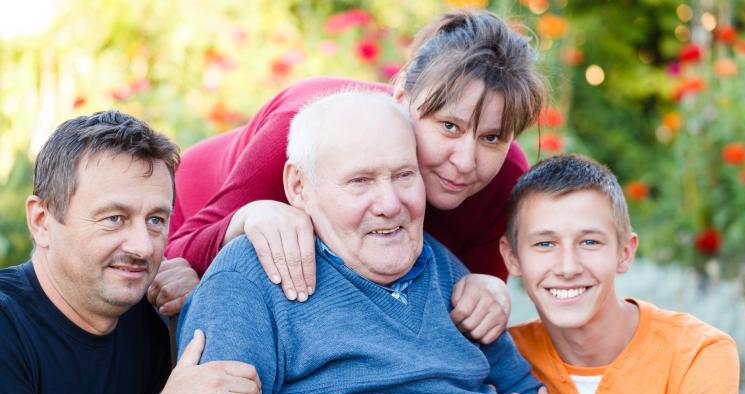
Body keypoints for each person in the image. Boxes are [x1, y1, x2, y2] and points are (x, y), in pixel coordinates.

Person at [175, 91, 554, 394]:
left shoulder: (447, 274)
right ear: (298, 187)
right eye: (360, 181)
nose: (390, 204)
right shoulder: (251, 277)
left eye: (404, 175)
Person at [165, 10, 546, 344]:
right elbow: (176, 251)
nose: (465, 161)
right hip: (195, 207)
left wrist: (490, 290)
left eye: (492, 137)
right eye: (449, 126)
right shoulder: (308, 132)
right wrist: (247, 218)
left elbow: (457, 315)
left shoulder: (503, 176)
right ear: (401, 98)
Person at [0, 111, 262, 394]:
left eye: (156, 220)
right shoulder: (8, 326)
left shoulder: (146, 320)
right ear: (42, 221)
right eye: (113, 219)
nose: (142, 247)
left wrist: (194, 311)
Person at [493, 154, 741, 394]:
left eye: (590, 242)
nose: (567, 267)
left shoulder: (697, 353)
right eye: (545, 244)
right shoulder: (508, 357)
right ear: (512, 258)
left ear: (624, 252)